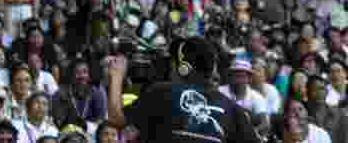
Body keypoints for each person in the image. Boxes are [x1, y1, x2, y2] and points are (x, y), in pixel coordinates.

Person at [103, 36, 260, 143]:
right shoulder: (231, 108)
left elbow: (116, 118)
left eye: (173, 62)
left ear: (183, 68)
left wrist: (116, 76)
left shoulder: (161, 93)